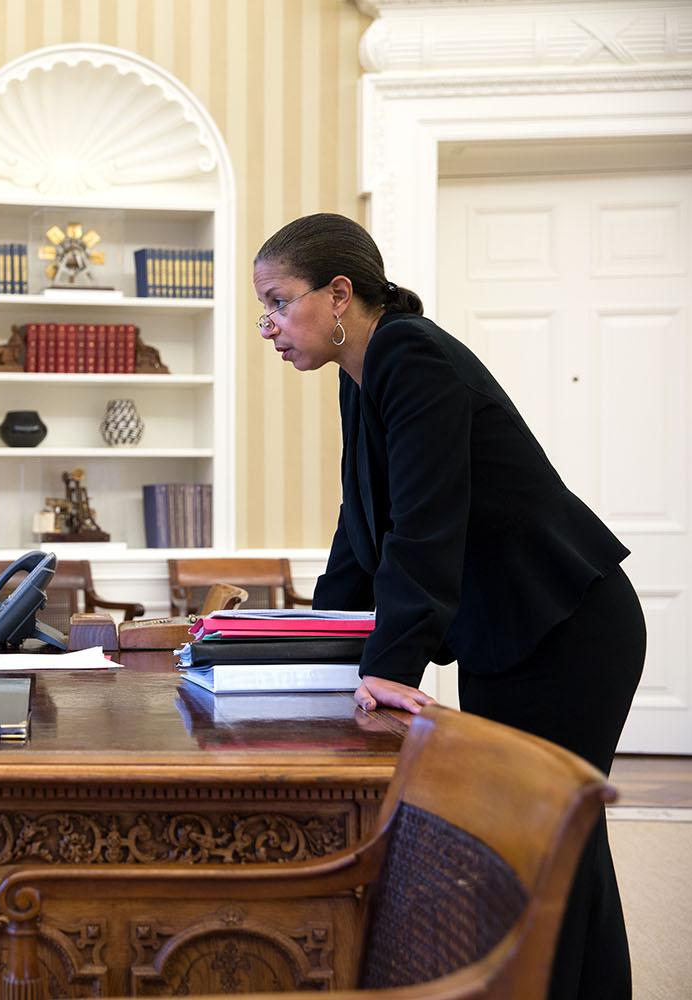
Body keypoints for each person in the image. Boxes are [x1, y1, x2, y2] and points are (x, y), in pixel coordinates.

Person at [252, 213, 643, 1000]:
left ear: (338, 294)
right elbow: (361, 529)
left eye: (278, 302)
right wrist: (319, 640)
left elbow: (427, 526)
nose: (268, 327)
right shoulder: (362, 374)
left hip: (564, 626)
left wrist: (389, 666)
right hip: (513, 632)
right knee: (553, 847)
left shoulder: (411, 356)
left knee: (542, 847)